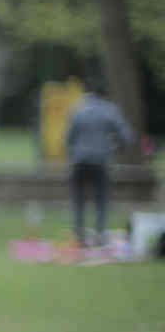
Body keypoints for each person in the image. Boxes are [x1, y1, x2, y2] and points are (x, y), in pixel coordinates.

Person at [65, 78, 134, 245]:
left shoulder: (78, 109)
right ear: (105, 95)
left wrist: (74, 152)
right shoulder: (110, 110)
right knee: (101, 199)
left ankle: (79, 236)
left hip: (79, 160)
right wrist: (114, 148)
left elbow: (68, 138)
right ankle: (100, 236)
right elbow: (127, 137)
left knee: (78, 200)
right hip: (100, 161)